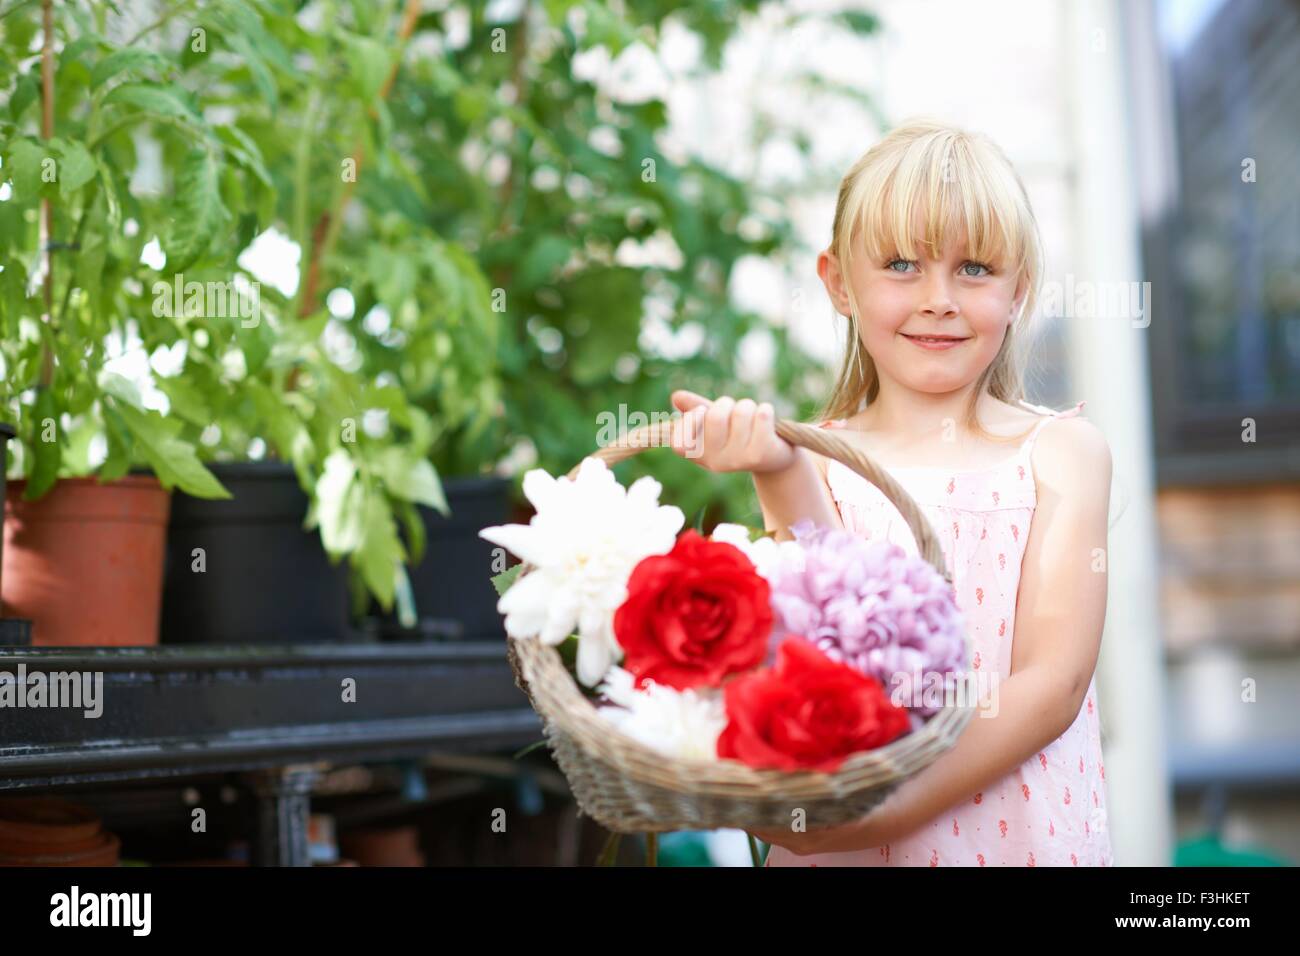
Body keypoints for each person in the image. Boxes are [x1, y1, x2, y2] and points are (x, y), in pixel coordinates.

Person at [667, 119, 1113, 866]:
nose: (938, 299)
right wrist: (775, 467)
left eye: (974, 269)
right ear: (840, 282)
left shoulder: (1061, 453)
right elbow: (821, 638)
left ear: (1018, 292)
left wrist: (886, 809)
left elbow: (1052, 685)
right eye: (902, 264)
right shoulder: (817, 459)